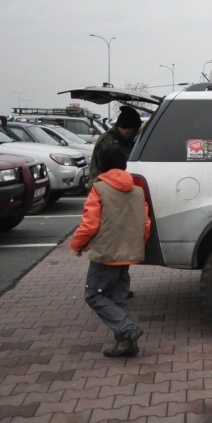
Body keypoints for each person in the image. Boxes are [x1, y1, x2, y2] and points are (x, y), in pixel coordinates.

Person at [71, 145, 151, 357]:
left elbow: (89, 225)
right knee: (118, 298)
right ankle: (126, 344)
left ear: (102, 167)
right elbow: (145, 224)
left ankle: (127, 329)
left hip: (105, 254)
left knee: (94, 296)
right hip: (128, 254)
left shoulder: (99, 189)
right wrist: (136, 245)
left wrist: (77, 245)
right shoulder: (137, 190)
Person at [88, 106, 143, 183]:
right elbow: (101, 172)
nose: (134, 134)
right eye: (134, 131)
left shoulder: (127, 141)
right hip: (105, 188)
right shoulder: (107, 141)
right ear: (124, 128)